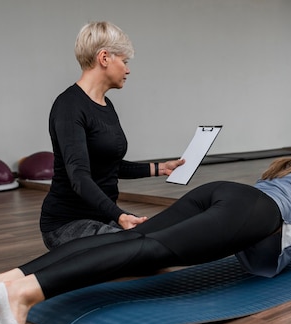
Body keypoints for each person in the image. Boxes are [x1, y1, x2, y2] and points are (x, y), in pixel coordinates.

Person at [0, 114, 291, 324]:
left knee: (130, 239)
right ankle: (23, 296)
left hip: (223, 193)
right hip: (250, 213)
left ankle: (2, 282)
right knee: (150, 251)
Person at [40, 21, 185, 250]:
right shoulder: (69, 106)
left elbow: (108, 165)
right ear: (104, 58)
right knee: (143, 250)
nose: (127, 70)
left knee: (157, 242)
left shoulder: (106, 105)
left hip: (101, 217)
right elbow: (79, 177)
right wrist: (119, 216)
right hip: (67, 224)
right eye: (125, 62)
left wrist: (161, 168)